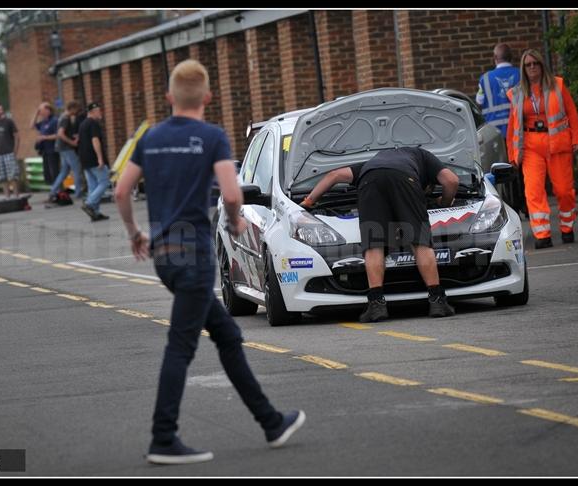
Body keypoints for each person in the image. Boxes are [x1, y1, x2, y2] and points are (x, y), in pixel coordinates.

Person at [115, 60, 305, 465]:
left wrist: (135, 233)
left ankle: (271, 422)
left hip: (166, 256)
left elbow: (121, 191)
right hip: (196, 256)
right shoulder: (212, 137)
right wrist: (235, 222)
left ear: (168, 97)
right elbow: (232, 194)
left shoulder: (150, 138)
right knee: (180, 347)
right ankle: (162, 438)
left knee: (227, 336)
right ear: (207, 97)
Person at [300, 147, 459, 322]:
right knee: (419, 240)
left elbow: (334, 175)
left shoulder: (372, 163)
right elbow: (451, 180)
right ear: (428, 182)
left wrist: (308, 202)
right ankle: (437, 301)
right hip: (406, 179)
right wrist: (445, 202)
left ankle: (376, 305)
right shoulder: (424, 156)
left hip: (370, 182)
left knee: (374, 243)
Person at [506, 49, 578, 249]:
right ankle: (542, 234)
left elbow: (572, 113)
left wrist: (577, 138)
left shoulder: (557, 85)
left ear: (541, 65)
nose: (532, 67)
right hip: (531, 146)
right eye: (528, 65)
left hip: (557, 143)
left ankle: (567, 228)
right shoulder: (517, 93)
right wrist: (513, 153)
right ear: (523, 69)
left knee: (564, 190)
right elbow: (512, 126)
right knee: (533, 190)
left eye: (535, 63)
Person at [476, 43, 521, 138]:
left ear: (495, 57)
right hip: (518, 128)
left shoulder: (485, 79)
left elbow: (479, 101)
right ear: (511, 57)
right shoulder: (521, 74)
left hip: (494, 132)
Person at [78, 102, 110, 221]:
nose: (100, 112)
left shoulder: (82, 125)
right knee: (104, 182)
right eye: (98, 110)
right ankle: (89, 203)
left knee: (93, 186)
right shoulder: (93, 123)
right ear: (91, 112)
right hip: (93, 158)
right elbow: (95, 140)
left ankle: (95, 213)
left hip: (85, 159)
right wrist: (100, 158)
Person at [49, 101, 84, 200]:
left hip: (61, 148)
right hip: (67, 148)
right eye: (76, 109)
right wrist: (72, 142)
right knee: (77, 169)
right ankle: (78, 193)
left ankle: (53, 190)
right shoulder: (66, 118)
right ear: (72, 108)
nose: (77, 112)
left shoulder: (61, 117)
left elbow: (62, 133)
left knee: (64, 171)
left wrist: (73, 136)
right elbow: (60, 133)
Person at [0, 102, 21, 198]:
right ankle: (7, 197)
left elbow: (17, 136)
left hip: (9, 153)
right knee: (2, 178)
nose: (0, 111)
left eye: (1, 109)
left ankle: (16, 197)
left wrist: (15, 151)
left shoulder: (9, 122)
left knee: (13, 176)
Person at [31, 101, 60, 185]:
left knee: (54, 171)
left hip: (53, 150)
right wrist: (36, 114)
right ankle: (53, 188)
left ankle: (57, 190)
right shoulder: (43, 122)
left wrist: (45, 137)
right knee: (47, 173)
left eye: (41, 110)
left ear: (48, 110)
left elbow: (58, 135)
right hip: (45, 150)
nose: (40, 112)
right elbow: (32, 126)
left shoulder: (54, 121)